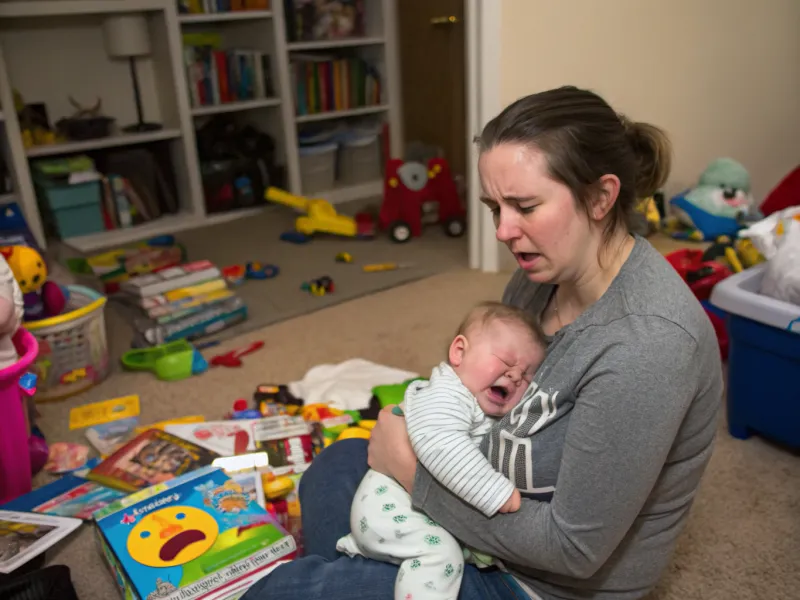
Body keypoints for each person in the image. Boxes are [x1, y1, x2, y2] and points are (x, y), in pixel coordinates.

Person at [242, 86, 723, 600]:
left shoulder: (648, 346)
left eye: (525, 206)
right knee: (336, 465)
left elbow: (575, 552)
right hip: (477, 514)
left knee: (288, 590)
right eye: (495, 207)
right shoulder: (541, 274)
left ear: (602, 197)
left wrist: (414, 476)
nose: (503, 230)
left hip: (542, 581)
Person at [336, 302, 547, 600]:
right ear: (459, 352)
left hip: (413, 508)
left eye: (526, 376)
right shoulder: (447, 393)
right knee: (441, 555)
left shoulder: (480, 401)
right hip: (391, 507)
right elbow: (442, 445)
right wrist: (494, 492)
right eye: (506, 361)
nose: (515, 376)